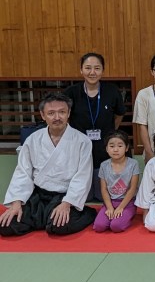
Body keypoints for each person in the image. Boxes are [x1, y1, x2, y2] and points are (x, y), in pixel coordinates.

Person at [0, 93, 95, 237]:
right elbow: (23, 172)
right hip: (38, 196)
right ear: (43, 115)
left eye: (62, 112)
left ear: (69, 113)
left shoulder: (82, 141)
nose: (57, 117)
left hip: (64, 196)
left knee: (59, 226)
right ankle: (44, 219)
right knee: (6, 226)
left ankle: (86, 213)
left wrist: (67, 203)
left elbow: (83, 176)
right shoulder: (33, 140)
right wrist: (16, 202)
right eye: (51, 113)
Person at [64, 52, 126, 200]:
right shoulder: (71, 92)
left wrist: (111, 133)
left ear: (103, 70)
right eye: (88, 68)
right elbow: (64, 117)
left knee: (101, 196)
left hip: (104, 148)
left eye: (97, 68)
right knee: (83, 197)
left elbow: (119, 114)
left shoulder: (112, 91)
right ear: (81, 70)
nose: (92, 72)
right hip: (79, 148)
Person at [93, 130, 140, 234]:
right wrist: (109, 207)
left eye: (120, 146)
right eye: (112, 146)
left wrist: (120, 208)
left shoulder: (133, 164)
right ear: (106, 149)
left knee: (116, 226)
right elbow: (104, 189)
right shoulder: (104, 165)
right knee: (99, 226)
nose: (115, 149)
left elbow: (132, 189)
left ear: (126, 148)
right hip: (110, 202)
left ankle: (129, 215)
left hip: (127, 202)